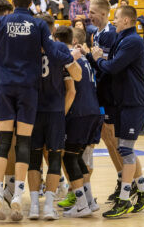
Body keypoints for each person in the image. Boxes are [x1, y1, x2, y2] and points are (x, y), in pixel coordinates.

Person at [0, 0, 80, 221]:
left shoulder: (1, 22)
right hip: (28, 89)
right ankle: (18, 195)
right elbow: (51, 51)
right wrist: (70, 58)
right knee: (24, 142)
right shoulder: (38, 25)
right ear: (31, 3)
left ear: (13, 1)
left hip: (5, 88)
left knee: (4, 140)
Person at [91, 5, 144, 218]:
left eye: (117, 18)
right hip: (123, 101)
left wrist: (97, 58)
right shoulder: (122, 38)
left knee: (125, 150)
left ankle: (125, 199)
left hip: (133, 101)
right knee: (122, 148)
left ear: (126, 20)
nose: (114, 21)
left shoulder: (133, 41)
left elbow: (112, 67)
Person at [28, 17, 82, 220]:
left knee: (34, 159)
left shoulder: (28, 47)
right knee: (54, 158)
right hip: (54, 112)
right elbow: (76, 79)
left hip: (31, 112)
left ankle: (35, 206)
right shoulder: (59, 47)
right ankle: (49, 206)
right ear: (52, 30)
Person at [52, 25, 99, 218]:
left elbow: (71, 92)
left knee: (69, 157)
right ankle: (88, 201)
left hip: (78, 113)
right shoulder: (84, 59)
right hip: (93, 112)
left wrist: (59, 116)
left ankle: (82, 205)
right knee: (77, 157)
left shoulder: (67, 58)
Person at [82, 0, 125, 205]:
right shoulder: (96, 34)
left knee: (115, 141)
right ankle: (121, 179)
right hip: (100, 92)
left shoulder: (109, 34)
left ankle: (128, 183)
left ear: (103, 14)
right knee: (108, 140)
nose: (89, 15)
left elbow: (106, 66)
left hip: (110, 94)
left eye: (92, 12)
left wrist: (93, 58)